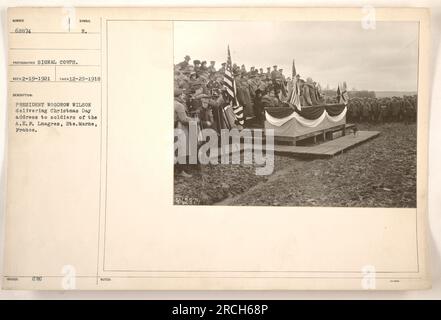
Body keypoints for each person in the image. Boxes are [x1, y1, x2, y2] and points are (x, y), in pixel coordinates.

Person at [174, 88, 196, 178]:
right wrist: (194, 121)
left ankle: (176, 169)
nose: (184, 96)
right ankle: (181, 170)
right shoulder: (179, 105)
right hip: (178, 128)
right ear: (179, 95)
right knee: (182, 148)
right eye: (182, 94)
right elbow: (183, 120)